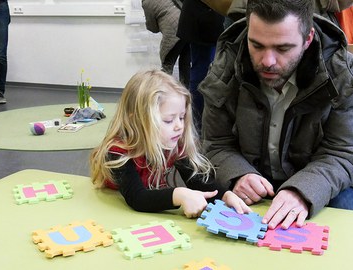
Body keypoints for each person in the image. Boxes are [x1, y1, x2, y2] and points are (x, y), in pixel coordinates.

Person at [199, 0, 353, 230]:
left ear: (308, 39)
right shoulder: (226, 64)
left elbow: (343, 152)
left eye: (282, 49)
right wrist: (237, 175)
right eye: (257, 45)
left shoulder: (341, 71)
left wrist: (302, 190)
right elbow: (215, 143)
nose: (267, 61)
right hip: (251, 176)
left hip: (320, 178)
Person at [90, 69, 251, 218]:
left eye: (181, 117)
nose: (179, 126)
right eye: (168, 120)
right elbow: (137, 198)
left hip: (143, 202)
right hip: (110, 206)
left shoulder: (172, 143)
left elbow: (196, 180)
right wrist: (179, 195)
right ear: (137, 120)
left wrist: (224, 195)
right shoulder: (118, 151)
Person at [176, 0, 225, 129]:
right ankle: (197, 124)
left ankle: (197, 123)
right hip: (205, 21)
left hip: (204, 19)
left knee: (202, 70)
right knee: (202, 72)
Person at [142, 0, 190, 87]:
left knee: (167, 66)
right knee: (185, 63)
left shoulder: (147, 2)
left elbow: (152, 28)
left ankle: (164, 91)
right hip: (187, 26)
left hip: (173, 34)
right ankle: (186, 93)